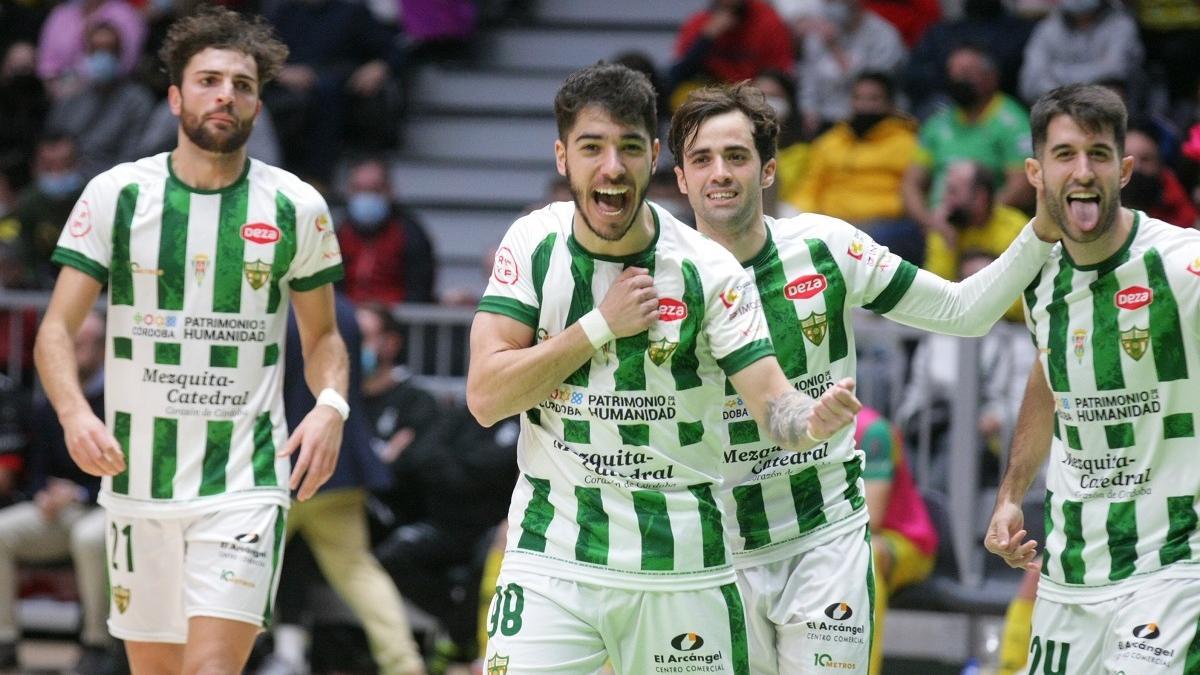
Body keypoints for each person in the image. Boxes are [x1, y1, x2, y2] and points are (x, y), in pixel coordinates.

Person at [467, 63, 861, 674]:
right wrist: (598, 326)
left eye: (629, 148)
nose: (612, 168)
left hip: (682, 562)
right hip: (554, 553)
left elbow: (774, 408)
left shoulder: (707, 268)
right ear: (562, 157)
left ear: (653, 156)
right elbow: (486, 397)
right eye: (591, 148)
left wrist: (812, 419)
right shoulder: (533, 244)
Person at [667, 82, 1057, 673]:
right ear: (680, 178)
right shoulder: (657, 279)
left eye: (737, 156)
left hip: (823, 538)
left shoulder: (828, 247)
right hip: (710, 549)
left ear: (769, 169)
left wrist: (1041, 229)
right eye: (702, 159)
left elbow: (963, 311)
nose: (720, 173)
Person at [32, 7, 348, 675]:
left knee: (210, 668)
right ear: (176, 96)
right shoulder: (117, 195)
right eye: (208, 80)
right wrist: (72, 412)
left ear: (258, 102)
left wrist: (330, 406)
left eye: (241, 83)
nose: (224, 95)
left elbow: (324, 337)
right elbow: (55, 330)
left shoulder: (296, 205)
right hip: (138, 477)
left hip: (245, 478)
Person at [985, 83, 1200, 673]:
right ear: (1035, 172)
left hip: (1175, 562)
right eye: (1065, 155)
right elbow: (1048, 378)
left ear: (1124, 169)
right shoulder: (1038, 280)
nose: (1083, 171)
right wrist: (1010, 495)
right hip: (1070, 569)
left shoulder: (1182, 264)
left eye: (1099, 155)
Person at [263, 293, 424, 675]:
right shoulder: (347, 311)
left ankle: (207, 660)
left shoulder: (270, 307)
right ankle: (406, 665)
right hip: (339, 465)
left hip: (280, 462)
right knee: (358, 572)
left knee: (240, 571)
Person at [0, 311, 109, 673]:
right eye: (69, 346)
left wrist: (78, 493)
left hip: (103, 505)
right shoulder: (56, 399)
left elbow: (128, 474)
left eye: (80, 345)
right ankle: (5, 639)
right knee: (3, 530)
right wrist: (43, 494)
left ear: (101, 348)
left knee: (90, 538)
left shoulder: (119, 400)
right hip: (59, 509)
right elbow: (35, 470)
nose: (73, 355)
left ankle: (97, 644)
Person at [902, 44, 1035, 250]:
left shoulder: (1012, 122)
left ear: (991, 77)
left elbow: (1022, 187)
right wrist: (930, 221)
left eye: (965, 73)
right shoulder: (937, 123)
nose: (957, 80)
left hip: (988, 223)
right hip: (936, 225)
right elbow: (911, 184)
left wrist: (971, 216)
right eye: (952, 73)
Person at [858, 407, 936, 675]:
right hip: (834, 539)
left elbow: (871, 520)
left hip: (904, 542)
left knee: (863, 556)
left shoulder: (873, 431)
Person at [336, 157, 436, 305]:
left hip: (397, 322)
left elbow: (419, 289)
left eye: (375, 189)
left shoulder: (410, 233)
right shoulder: (338, 232)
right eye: (359, 189)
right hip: (347, 320)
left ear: (390, 191)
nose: (366, 196)